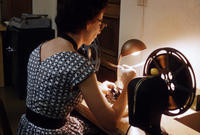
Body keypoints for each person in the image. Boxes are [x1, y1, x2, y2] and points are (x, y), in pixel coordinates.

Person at [17, 0, 136, 134]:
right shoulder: (78, 64)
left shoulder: (40, 48)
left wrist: (97, 88)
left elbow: (57, 88)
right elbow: (111, 122)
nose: (100, 29)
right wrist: (128, 84)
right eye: (100, 22)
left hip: (28, 128)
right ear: (87, 22)